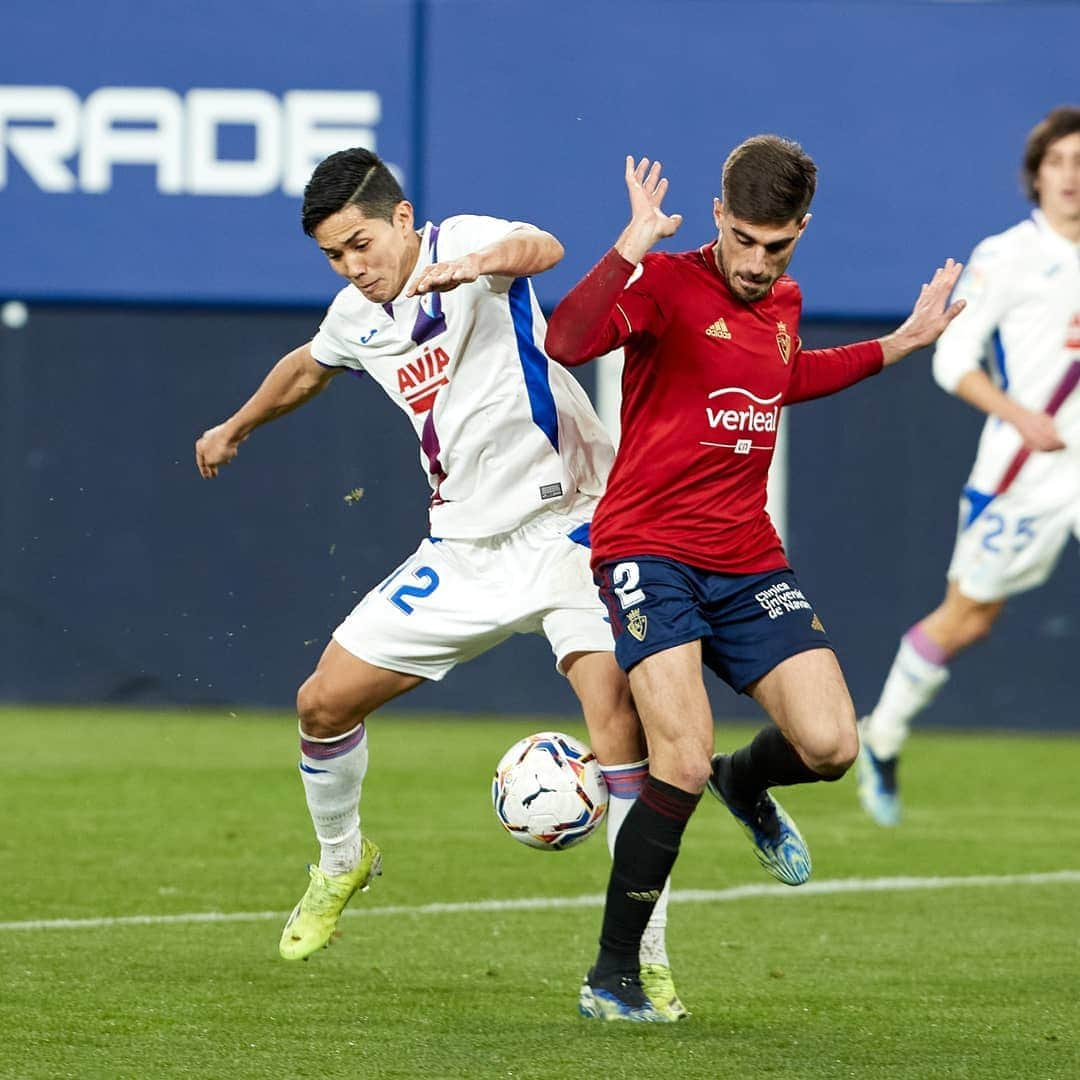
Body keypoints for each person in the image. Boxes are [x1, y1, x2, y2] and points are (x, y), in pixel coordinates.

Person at [194, 147, 689, 1019]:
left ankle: (642, 963)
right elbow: (310, 364)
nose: (355, 266)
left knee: (617, 726)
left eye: (361, 244)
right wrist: (236, 425)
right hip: (462, 551)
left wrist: (475, 265)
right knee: (321, 704)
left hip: (572, 524)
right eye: (334, 256)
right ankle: (342, 860)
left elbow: (543, 247)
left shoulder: (466, 243)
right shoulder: (359, 312)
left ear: (403, 218)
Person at [544, 137, 964, 1021]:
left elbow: (780, 378)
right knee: (680, 757)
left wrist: (902, 342)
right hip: (646, 550)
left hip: (745, 559)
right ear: (716, 219)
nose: (756, 262)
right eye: (743, 240)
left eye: (777, 246)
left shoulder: (785, 300)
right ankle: (612, 973)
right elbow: (566, 338)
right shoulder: (660, 283)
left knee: (831, 745)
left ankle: (750, 782)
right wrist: (627, 246)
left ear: (800, 232)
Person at [857, 106, 1080, 827]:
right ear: (1037, 176)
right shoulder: (1005, 256)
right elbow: (952, 360)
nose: (1072, 177)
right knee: (970, 616)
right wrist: (1021, 416)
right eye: (1059, 163)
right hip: (1025, 471)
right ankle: (882, 733)